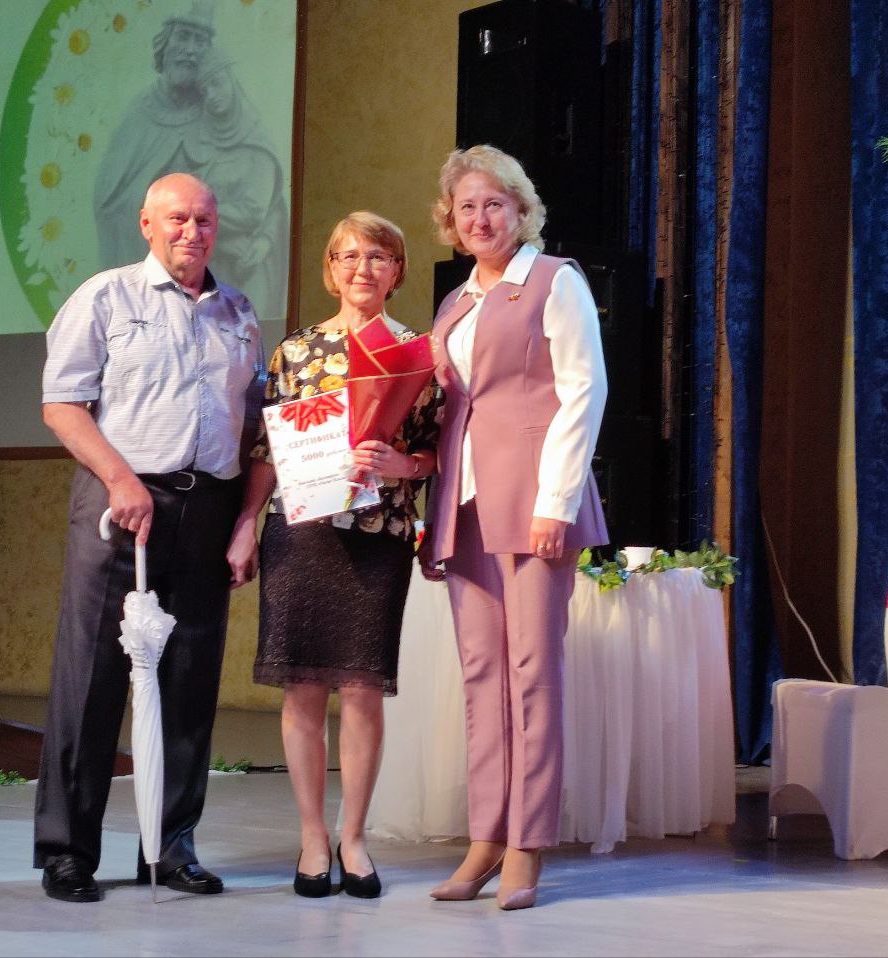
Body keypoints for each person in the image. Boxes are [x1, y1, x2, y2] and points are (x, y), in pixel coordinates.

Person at [34, 172, 264, 903]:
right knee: (94, 676)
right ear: (146, 224)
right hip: (122, 501)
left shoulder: (239, 313)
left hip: (208, 506)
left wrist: (245, 521)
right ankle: (68, 853)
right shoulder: (106, 297)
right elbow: (62, 404)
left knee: (190, 679)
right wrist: (120, 479)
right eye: (177, 219)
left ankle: (170, 848)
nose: (191, 232)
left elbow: (254, 424)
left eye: (204, 220)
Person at [226, 212, 441, 899]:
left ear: (397, 270)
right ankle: (313, 836)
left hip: (379, 535)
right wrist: (245, 525)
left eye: (377, 256)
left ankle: (355, 839)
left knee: (363, 690)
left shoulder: (420, 354)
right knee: (303, 687)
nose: (362, 268)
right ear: (330, 269)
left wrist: (404, 465)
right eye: (348, 256)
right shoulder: (296, 351)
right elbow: (265, 450)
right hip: (301, 532)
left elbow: (437, 451)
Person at [421, 146, 608, 911]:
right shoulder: (455, 303)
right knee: (482, 675)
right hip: (463, 505)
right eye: (466, 207)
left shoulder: (555, 280)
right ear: (451, 221)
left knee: (534, 673)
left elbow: (585, 391)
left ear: (521, 210)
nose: (480, 218)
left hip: (534, 501)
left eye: (493, 203)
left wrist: (556, 503)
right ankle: (486, 837)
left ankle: (528, 843)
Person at [93, 1, 288, 325]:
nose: (191, 50)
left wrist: (262, 238)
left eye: (201, 41)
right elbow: (111, 205)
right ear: (164, 43)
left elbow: (268, 202)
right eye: (183, 37)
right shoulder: (140, 115)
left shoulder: (221, 115)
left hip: (220, 295)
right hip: (148, 301)